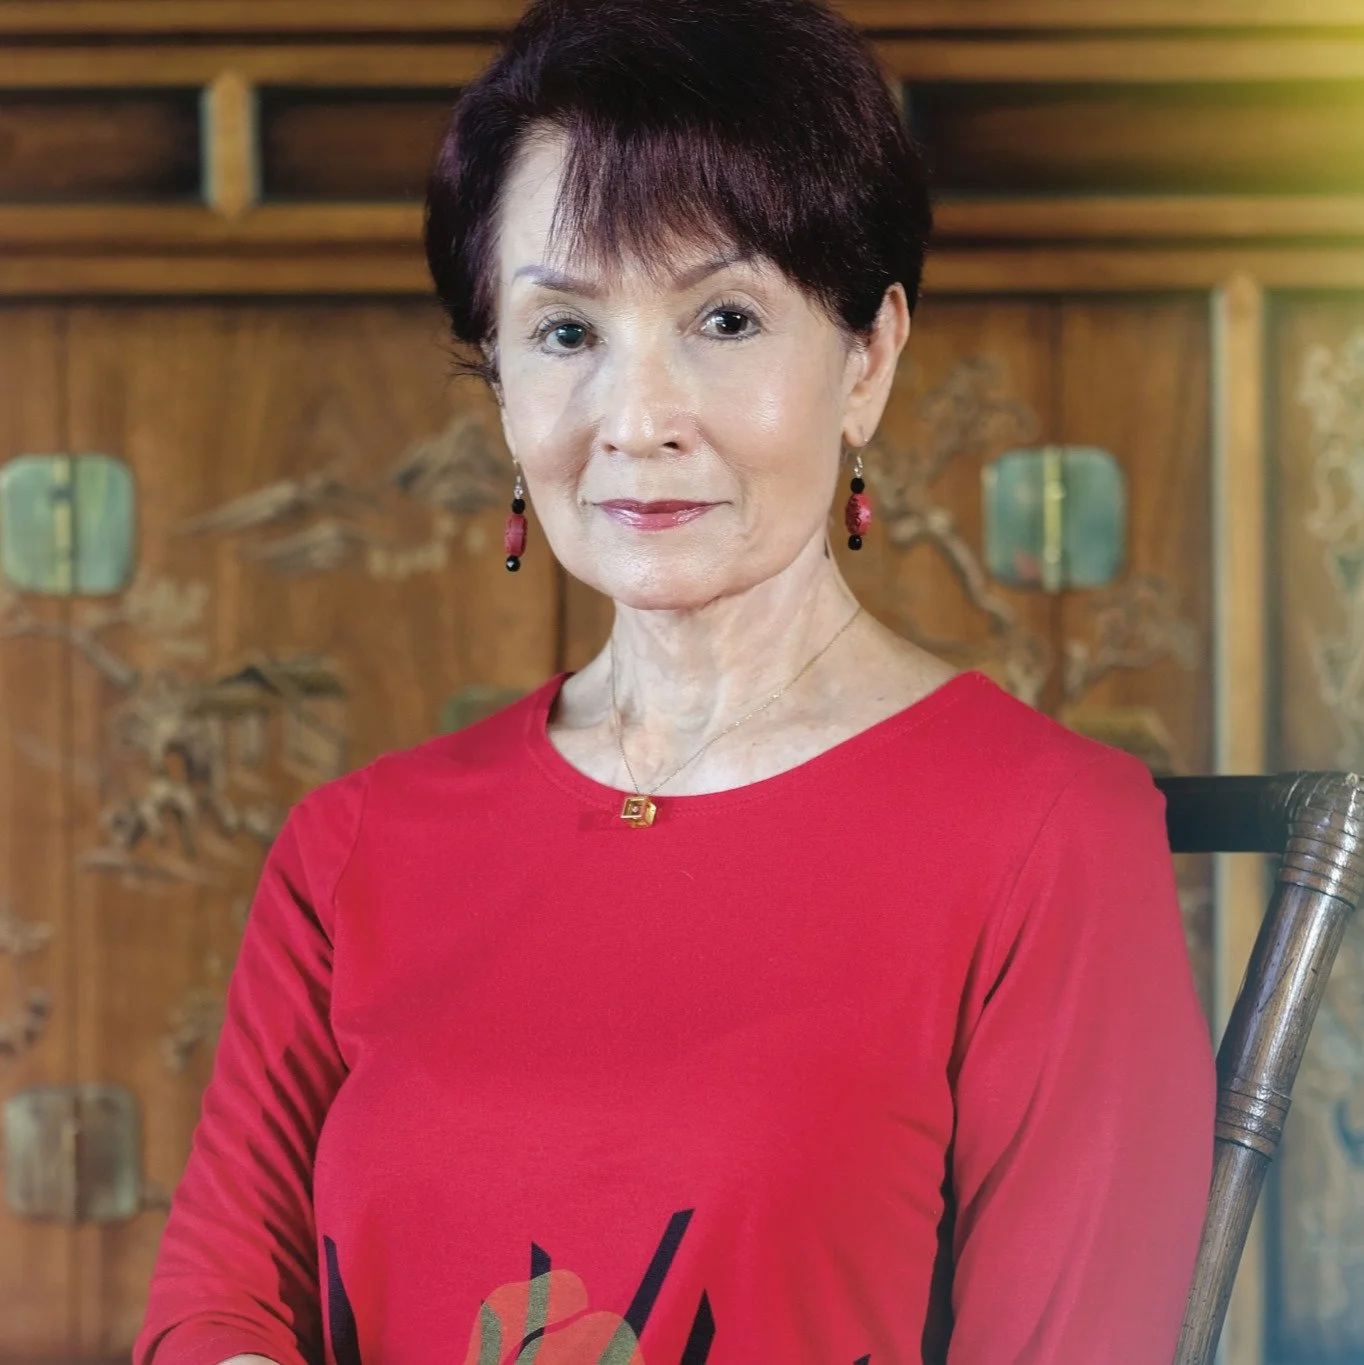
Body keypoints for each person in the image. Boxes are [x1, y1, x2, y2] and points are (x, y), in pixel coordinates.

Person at [134, 0, 1215, 1360]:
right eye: (565, 332)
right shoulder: (354, 847)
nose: (638, 421)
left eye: (725, 317)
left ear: (869, 357)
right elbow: (219, 1305)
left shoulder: (1047, 832)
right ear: (498, 378)